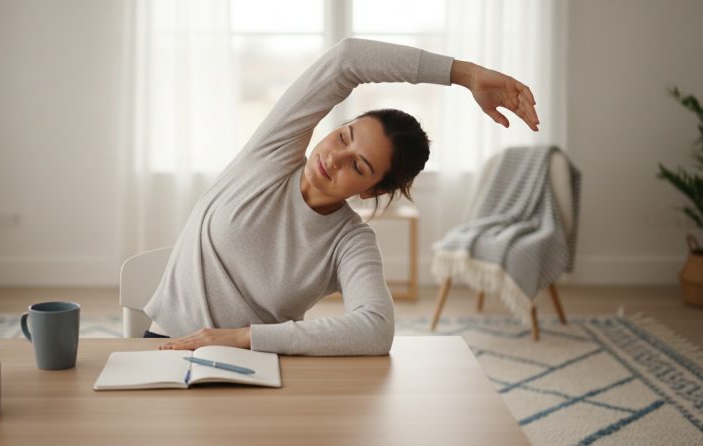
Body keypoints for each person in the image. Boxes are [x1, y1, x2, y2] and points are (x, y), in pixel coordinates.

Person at [142, 38, 539, 355]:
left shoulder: (349, 241)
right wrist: (467, 74)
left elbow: (376, 329)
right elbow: (348, 59)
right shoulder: (271, 155)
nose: (334, 158)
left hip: (247, 367)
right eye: (344, 137)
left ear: (371, 190)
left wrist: (247, 338)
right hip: (160, 345)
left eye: (359, 166)